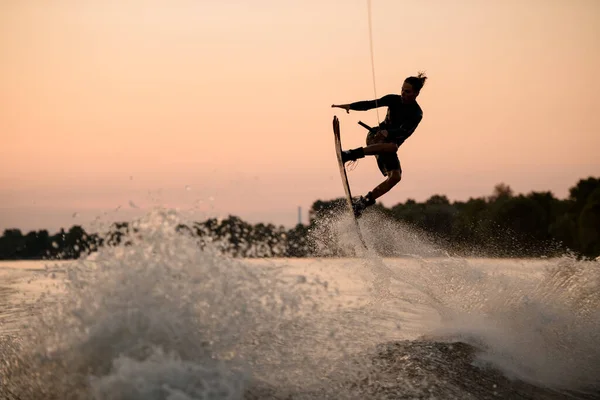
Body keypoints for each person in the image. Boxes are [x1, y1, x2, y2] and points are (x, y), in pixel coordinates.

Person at [331, 72, 427, 217]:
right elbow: (370, 104)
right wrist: (349, 106)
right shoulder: (393, 100)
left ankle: (363, 203)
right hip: (374, 137)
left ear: (416, 93)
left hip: (389, 146)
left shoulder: (417, 114)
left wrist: (390, 133)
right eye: (402, 89)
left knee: (395, 177)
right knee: (391, 146)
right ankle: (350, 154)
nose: (402, 93)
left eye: (407, 91)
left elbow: (404, 130)